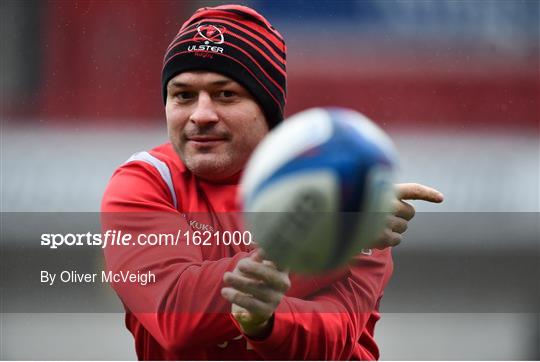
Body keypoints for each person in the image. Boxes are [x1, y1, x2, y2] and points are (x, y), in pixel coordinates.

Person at [101, 4, 443, 360]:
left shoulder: (348, 185)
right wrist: (328, 233)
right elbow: (176, 316)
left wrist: (264, 323)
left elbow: (333, 341)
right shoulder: (146, 182)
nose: (200, 115)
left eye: (225, 94)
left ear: (267, 108)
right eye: (183, 95)